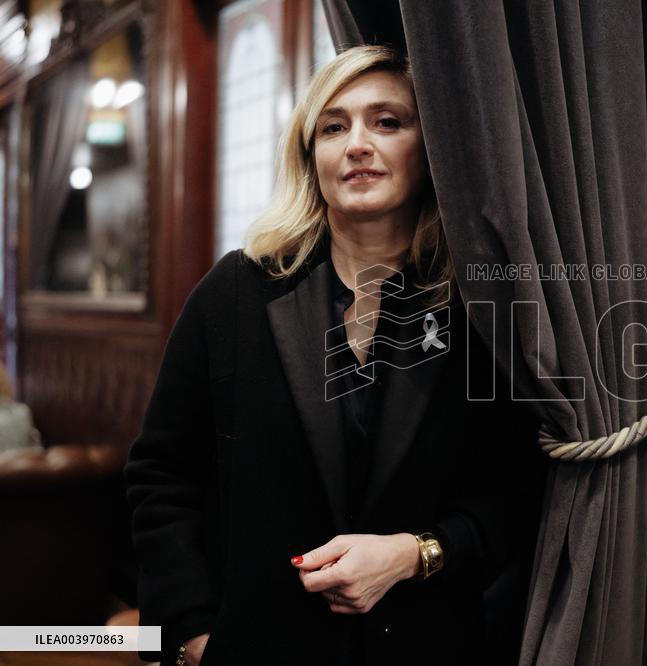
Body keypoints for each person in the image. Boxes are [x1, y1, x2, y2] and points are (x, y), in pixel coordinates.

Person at [124, 45, 546, 665]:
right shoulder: (234, 294)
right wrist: (194, 636)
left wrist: (415, 552)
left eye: (387, 122)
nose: (357, 144)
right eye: (334, 126)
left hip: (425, 645)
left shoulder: (481, 306)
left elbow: (514, 489)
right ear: (310, 155)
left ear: (431, 150)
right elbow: (161, 476)